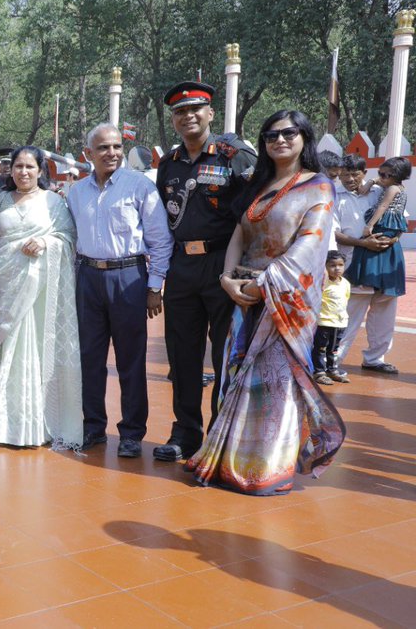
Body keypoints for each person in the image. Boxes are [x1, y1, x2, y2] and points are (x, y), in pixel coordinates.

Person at [189, 110, 345, 495]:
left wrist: (264, 286)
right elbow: (240, 233)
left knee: (275, 384)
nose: (280, 140)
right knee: (240, 378)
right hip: (244, 295)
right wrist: (227, 279)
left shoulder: (319, 187)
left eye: (289, 133)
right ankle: (231, 460)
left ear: (304, 138)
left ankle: (269, 468)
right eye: (271, 135)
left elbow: (309, 248)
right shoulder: (258, 185)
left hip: (285, 301)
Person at [153, 81, 256, 463]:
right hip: (183, 267)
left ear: (210, 113)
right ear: (174, 120)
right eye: (180, 112)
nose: (188, 116)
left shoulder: (235, 155)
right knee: (182, 354)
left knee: (225, 354)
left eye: (196, 109)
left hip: (223, 265)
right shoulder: (169, 164)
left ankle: (220, 436)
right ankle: (186, 433)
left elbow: (254, 216)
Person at [66, 122, 172, 458]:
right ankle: (93, 425)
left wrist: (155, 286)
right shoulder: (75, 191)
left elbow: (160, 241)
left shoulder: (139, 186)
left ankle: (131, 432)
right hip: (87, 278)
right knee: (89, 357)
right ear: (88, 154)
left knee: (130, 358)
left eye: (116, 147)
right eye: (103, 148)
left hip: (128, 277)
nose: (111, 153)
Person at [0, 146, 83, 448]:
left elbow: (67, 238)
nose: (23, 172)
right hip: (5, 288)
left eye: (30, 167)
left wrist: (46, 241)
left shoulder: (54, 203)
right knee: (6, 348)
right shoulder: (0, 201)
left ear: (40, 170)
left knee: (34, 349)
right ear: (11, 170)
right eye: (18, 166)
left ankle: (36, 424)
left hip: (39, 292)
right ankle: (0, 422)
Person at [333, 153, 401, 374]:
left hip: (384, 263)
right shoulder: (334, 196)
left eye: (354, 174)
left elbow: (399, 219)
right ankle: (332, 360)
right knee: (347, 316)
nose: (350, 179)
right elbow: (332, 233)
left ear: (364, 173)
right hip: (352, 265)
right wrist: (364, 244)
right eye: (344, 175)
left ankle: (375, 358)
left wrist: (392, 239)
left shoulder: (382, 191)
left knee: (385, 312)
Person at [313, 251, 350, 385]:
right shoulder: (323, 282)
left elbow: (345, 300)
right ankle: (319, 372)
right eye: (332, 265)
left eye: (340, 265)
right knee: (320, 348)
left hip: (339, 323)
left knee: (333, 349)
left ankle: (332, 370)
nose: (337, 268)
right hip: (324, 322)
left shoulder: (345, 283)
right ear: (324, 267)